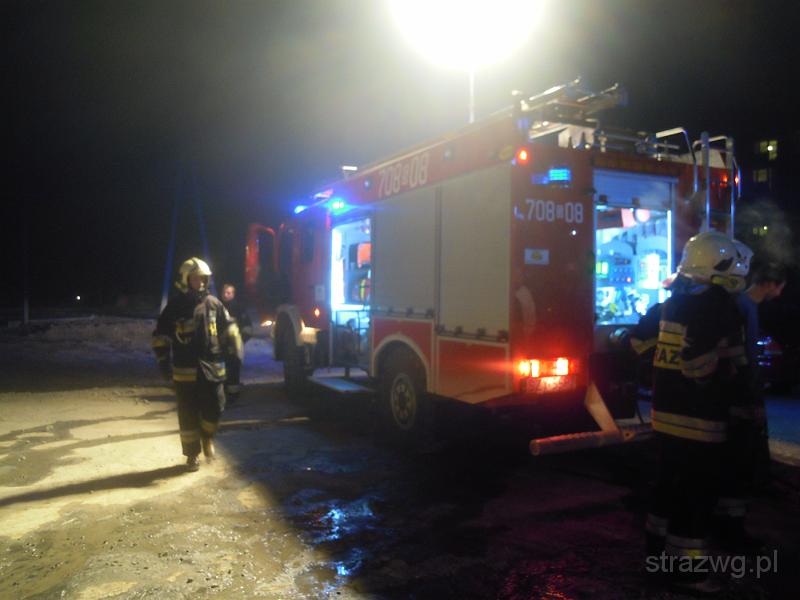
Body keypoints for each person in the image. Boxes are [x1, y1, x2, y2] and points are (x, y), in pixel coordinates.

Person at [643, 231, 750, 594]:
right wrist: (724, 373)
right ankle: (687, 572)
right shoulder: (716, 305)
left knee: (667, 489)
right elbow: (696, 363)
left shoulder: (677, 301)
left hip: (667, 415)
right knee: (695, 497)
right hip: (699, 419)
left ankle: (656, 557)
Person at [152, 258, 242, 471]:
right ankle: (192, 455)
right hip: (185, 371)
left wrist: (235, 349)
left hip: (212, 368)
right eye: (195, 278)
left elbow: (228, 328)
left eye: (203, 278)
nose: (200, 282)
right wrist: (163, 361)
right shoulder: (175, 306)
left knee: (216, 407)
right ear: (185, 279)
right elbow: (161, 335)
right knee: (188, 414)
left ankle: (207, 436)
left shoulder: (214, 304)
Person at [220, 283, 251, 403]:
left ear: (233, 294)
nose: (226, 295)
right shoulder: (218, 307)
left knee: (233, 370)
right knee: (221, 371)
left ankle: (233, 396)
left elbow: (247, 328)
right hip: (221, 346)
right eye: (224, 293)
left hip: (233, 347)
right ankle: (223, 394)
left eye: (228, 293)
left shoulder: (239, 308)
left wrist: (240, 341)